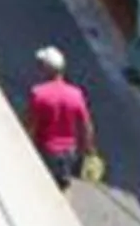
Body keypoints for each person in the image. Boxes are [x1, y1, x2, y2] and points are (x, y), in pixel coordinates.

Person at [25, 46, 97, 187]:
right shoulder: (76, 94)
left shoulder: (39, 94)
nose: (39, 68)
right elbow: (86, 126)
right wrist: (88, 150)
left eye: (41, 64)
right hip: (69, 153)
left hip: (46, 150)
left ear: (47, 69)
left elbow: (29, 124)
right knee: (61, 186)